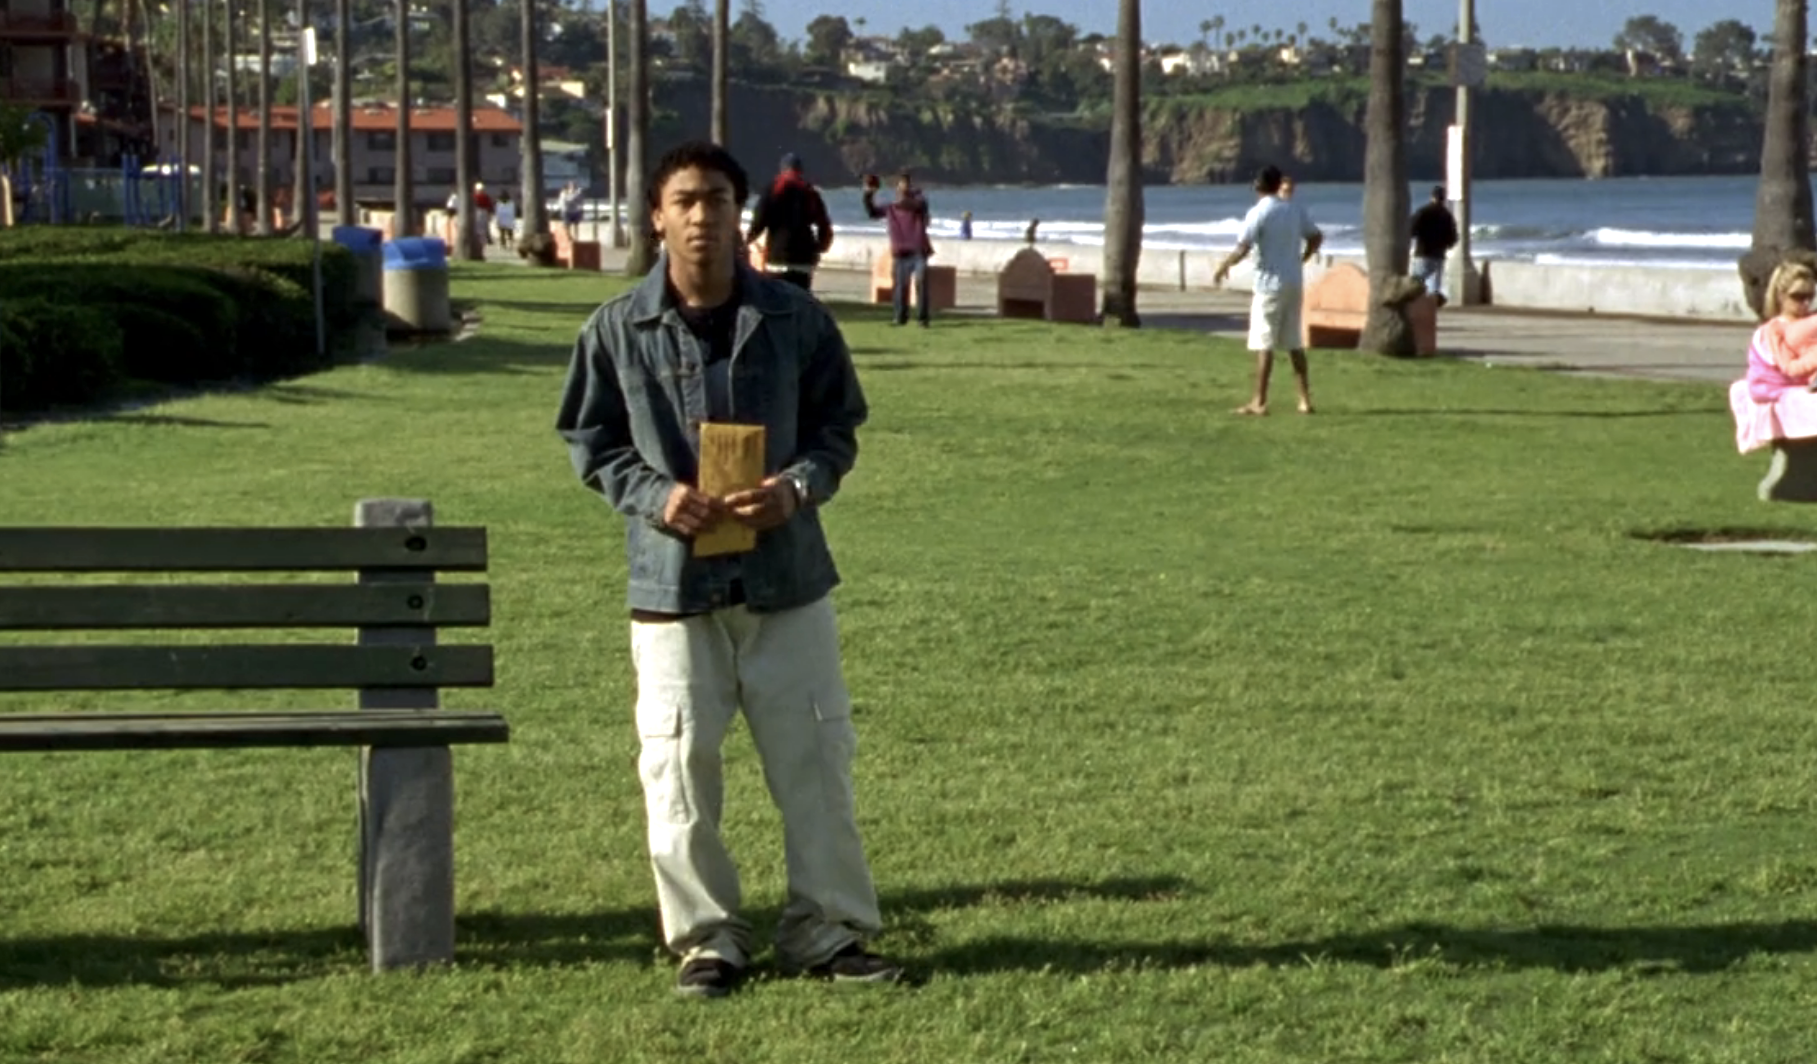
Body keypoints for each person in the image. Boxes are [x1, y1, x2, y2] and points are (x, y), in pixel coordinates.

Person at [554, 139, 899, 1000]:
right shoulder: (615, 330)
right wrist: (653, 495)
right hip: (672, 588)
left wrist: (797, 487)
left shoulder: (794, 318)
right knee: (676, 770)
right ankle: (706, 938)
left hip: (786, 581)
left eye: (716, 198)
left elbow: (836, 427)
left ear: (737, 213)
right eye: (684, 200)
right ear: (655, 217)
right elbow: (591, 442)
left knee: (815, 762)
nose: (701, 215)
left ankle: (828, 929)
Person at [1213, 164, 1324, 416]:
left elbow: (1243, 246)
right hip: (1293, 282)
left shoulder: (1258, 212)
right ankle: (1304, 400)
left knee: (1265, 343)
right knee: (1294, 342)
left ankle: (1259, 401)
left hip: (1268, 285)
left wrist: (1224, 265)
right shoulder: (1295, 210)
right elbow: (1316, 237)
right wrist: (1302, 258)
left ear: (1258, 186)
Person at [1730, 261, 1817, 455]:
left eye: (1810, 296)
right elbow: (1789, 367)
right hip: (1775, 387)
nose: (1805, 302)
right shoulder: (1773, 331)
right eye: (1798, 297)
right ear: (1780, 295)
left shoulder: (1807, 324)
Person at [743, 152, 835, 290]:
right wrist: (819, 247)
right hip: (804, 259)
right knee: (801, 302)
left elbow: (759, 219)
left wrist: (748, 240)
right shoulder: (809, 191)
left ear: (782, 169)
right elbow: (824, 225)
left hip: (777, 257)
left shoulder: (773, 189)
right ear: (800, 170)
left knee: (777, 303)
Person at [864, 171, 934, 327]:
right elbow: (872, 213)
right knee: (900, 286)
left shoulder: (919, 202)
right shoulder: (891, 208)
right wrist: (868, 195)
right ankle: (900, 317)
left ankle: (923, 319)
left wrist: (909, 194)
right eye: (901, 184)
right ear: (896, 188)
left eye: (906, 184)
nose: (904, 187)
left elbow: (916, 205)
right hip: (900, 251)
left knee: (921, 281)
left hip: (918, 250)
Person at [1409, 185, 1460, 307]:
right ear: (1443, 198)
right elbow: (1453, 236)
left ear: (1432, 197)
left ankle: (1415, 307)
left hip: (1423, 252)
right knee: (1434, 286)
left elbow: (1411, 229)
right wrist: (1447, 245)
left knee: (1416, 282)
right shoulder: (1447, 215)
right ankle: (1432, 310)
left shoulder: (1423, 211)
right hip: (1439, 254)